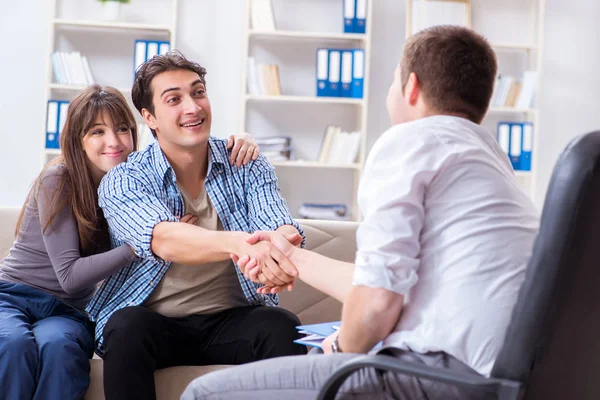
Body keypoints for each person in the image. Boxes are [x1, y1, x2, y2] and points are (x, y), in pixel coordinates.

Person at [181, 25, 540, 400]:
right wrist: (290, 255)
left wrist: (337, 352)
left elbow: (378, 303)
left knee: (202, 394)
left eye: (391, 83)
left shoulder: (409, 142)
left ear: (411, 87)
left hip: (440, 373)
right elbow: (385, 285)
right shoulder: (491, 160)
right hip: (500, 373)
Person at [0, 84, 261, 400]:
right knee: (14, 345)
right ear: (77, 141)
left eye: (122, 129)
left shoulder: (135, 180)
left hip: (67, 312)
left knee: (61, 351)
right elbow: (69, 277)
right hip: (13, 297)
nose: (114, 142)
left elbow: (185, 153)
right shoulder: (59, 178)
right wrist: (140, 245)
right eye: (97, 132)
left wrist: (243, 140)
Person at [85, 51, 307, 400]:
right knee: (126, 328)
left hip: (231, 320)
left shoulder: (245, 163)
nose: (192, 107)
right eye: (174, 99)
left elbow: (279, 226)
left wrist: (278, 251)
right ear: (150, 118)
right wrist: (241, 244)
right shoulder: (124, 179)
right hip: (155, 322)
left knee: (282, 327)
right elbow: (163, 238)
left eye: (198, 92)